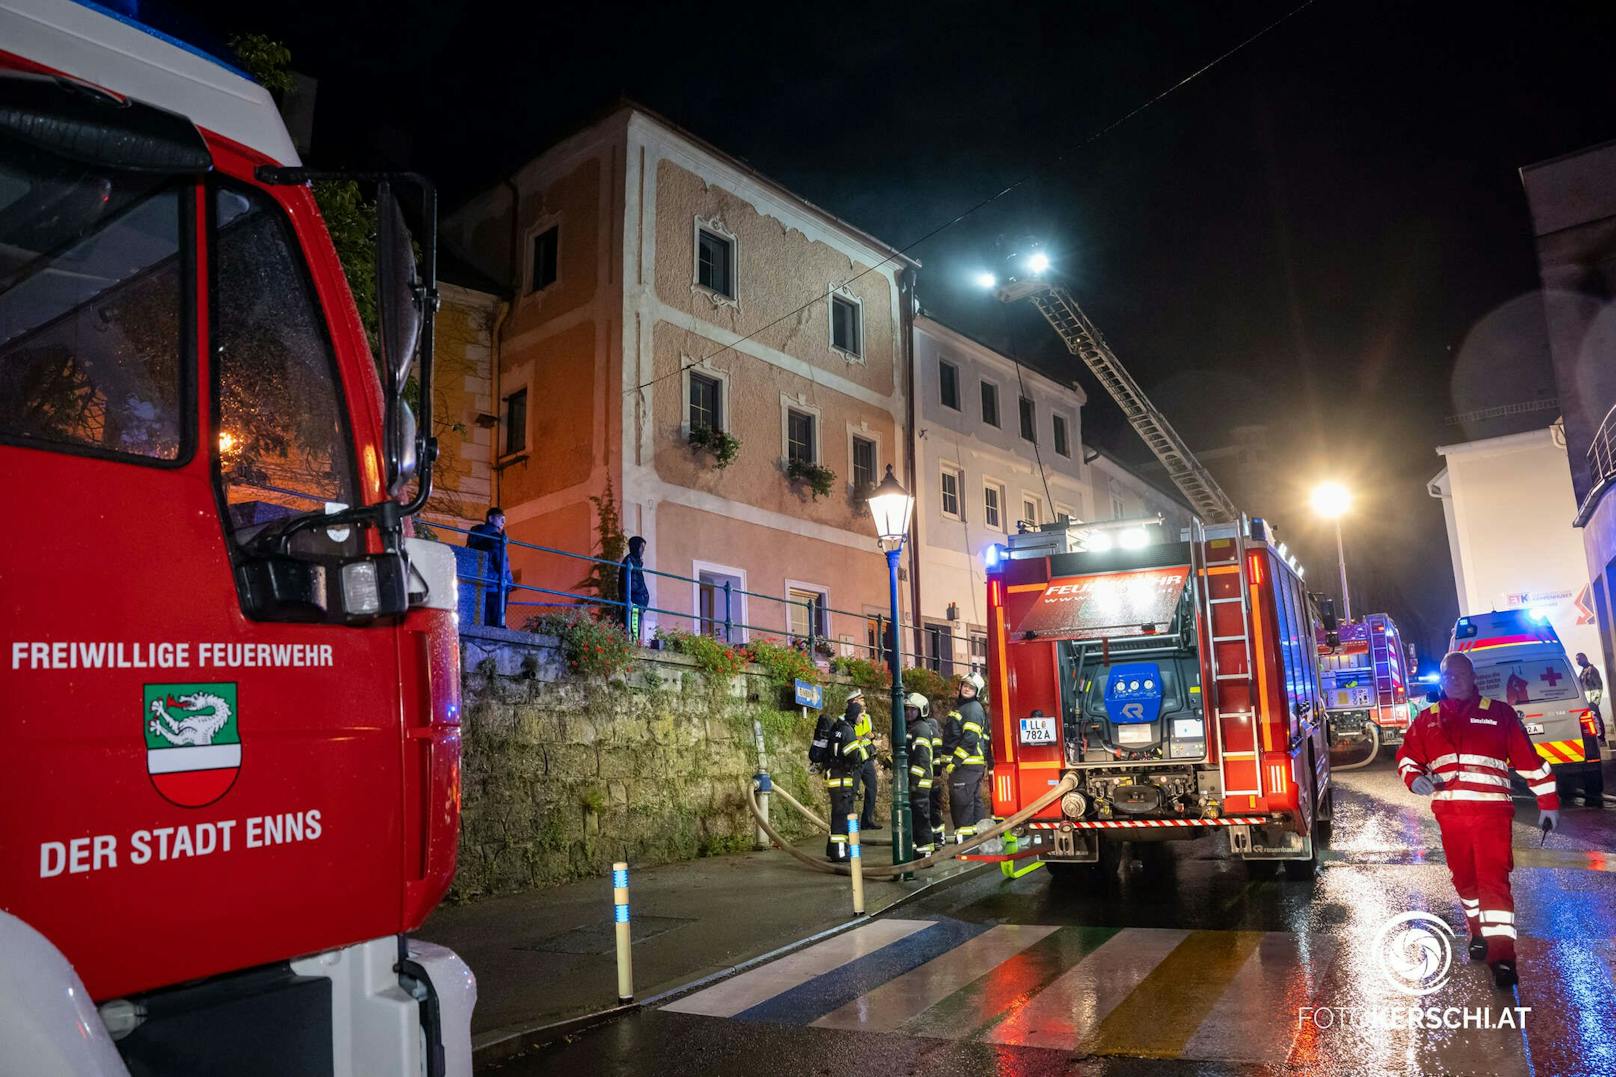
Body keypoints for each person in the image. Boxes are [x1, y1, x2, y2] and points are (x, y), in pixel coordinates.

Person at [1395, 651, 1559, 989]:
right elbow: (1408, 757)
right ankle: (1477, 930)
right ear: (1442, 680)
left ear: (1472, 678)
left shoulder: (1500, 715)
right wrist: (1414, 778)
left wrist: (1549, 801)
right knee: (1465, 882)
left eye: (1460, 674)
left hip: (1491, 818)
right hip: (1451, 819)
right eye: (1448, 675)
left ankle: (1503, 959)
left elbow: (1529, 761)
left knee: (1494, 884)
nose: (1454, 680)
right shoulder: (1427, 719)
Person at [821, 694, 871, 862]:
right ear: (855, 714)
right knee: (842, 817)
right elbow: (854, 756)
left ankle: (835, 849)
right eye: (861, 714)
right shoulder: (847, 730)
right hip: (842, 780)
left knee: (840, 815)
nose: (863, 717)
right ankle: (840, 852)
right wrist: (870, 749)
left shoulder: (838, 728)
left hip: (837, 778)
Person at [943, 672, 991, 842]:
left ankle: (965, 843)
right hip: (970, 767)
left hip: (965, 766)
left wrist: (955, 762)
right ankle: (977, 840)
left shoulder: (972, 709)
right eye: (965, 685)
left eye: (971, 687)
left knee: (961, 804)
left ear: (977, 691)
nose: (967, 689)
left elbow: (970, 739)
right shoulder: (965, 708)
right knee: (972, 802)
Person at [903, 692, 937, 855]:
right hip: (916, 782)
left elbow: (922, 759)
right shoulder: (913, 728)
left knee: (921, 817)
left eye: (913, 710)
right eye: (907, 709)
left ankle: (925, 850)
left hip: (920, 782)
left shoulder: (921, 729)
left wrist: (914, 781)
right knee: (916, 817)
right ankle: (919, 847)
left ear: (922, 710)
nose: (908, 713)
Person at [466, 507, 510, 627]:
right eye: (501, 518)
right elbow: (501, 562)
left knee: (482, 621)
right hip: (495, 586)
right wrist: (509, 581)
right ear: (490, 518)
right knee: (496, 623)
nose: (503, 522)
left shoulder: (475, 536)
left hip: (477, 586)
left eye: (504, 519)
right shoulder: (495, 537)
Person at [847, 689, 882, 830]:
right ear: (854, 701)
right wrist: (863, 737)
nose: (864, 701)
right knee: (852, 792)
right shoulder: (846, 718)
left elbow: (872, 732)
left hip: (867, 759)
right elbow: (847, 737)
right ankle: (850, 825)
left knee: (872, 788)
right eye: (860, 699)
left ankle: (867, 820)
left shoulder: (866, 717)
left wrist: (873, 735)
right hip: (855, 761)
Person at [618, 536, 650, 643]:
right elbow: (633, 585)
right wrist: (643, 596)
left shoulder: (635, 561)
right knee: (633, 631)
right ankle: (632, 647)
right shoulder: (630, 561)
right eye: (642, 548)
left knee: (635, 631)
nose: (643, 551)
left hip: (637, 603)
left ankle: (633, 646)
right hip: (634, 603)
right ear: (636, 547)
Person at [1576, 653, 1606, 742]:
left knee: (1596, 717)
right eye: (1576, 660)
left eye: (1579, 659)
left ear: (1585, 658)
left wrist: (1595, 701)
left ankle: (1601, 737)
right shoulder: (1583, 671)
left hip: (1592, 700)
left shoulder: (1592, 670)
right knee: (1591, 718)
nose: (1577, 661)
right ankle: (1597, 737)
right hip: (1586, 700)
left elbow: (1598, 686)